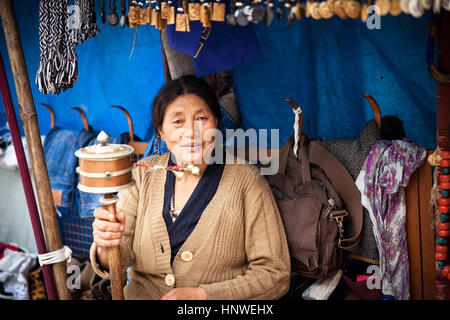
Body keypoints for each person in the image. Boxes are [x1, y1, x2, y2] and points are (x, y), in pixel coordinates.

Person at [90, 75, 291, 300]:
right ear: (161, 132)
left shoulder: (246, 181)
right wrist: (106, 246)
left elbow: (274, 274)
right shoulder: (142, 175)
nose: (191, 132)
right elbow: (118, 260)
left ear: (216, 122)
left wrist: (204, 296)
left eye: (202, 118)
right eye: (178, 121)